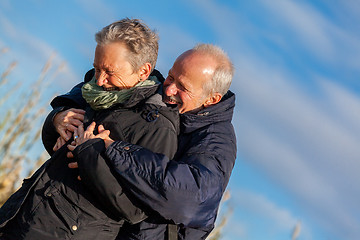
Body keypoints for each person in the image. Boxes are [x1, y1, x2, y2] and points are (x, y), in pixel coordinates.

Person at [0, 18, 179, 240]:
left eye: (109, 71)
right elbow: (58, 148)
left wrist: (89, 154)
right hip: (21, 217)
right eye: (96, 68)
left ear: (143, 71)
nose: (100, 80)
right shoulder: (92, 92)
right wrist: (56, 120)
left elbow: (136, 210)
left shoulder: (157, 128)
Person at [67, 44, 237, 239]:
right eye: (171, 76)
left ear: (212, 99)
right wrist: (62, 112)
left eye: (183, 87)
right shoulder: (160, 98)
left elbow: (191, 198)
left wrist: (115, 149)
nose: (170, 89)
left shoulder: (217, 141)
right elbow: (104, 92)